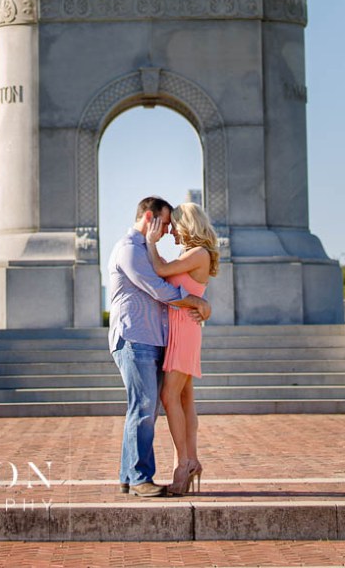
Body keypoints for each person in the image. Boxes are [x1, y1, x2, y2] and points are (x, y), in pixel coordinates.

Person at [108, 195, 212, 497]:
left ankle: (132, 475)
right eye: (165, 223)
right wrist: (196, 302)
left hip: (156, 338)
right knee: (145, 406)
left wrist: (201, 305)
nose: (168, 230)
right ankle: (141, 477)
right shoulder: (130, 249)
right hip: (134, 336)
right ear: (149, 217)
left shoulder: (147, 250)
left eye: (172, 225)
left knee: (148, 406)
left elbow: (167, 275)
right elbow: (157, 287)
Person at [145, 201, 219, 495]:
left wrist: (150, 244)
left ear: (187, 224)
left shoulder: (198, 253)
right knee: (185, 398)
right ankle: (190, 459)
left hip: (185, 330)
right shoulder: (191, 253)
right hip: (180, 327)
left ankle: (184, 463)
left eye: (174, 225)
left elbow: (161, 270)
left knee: (169, 395)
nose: (170, 231)